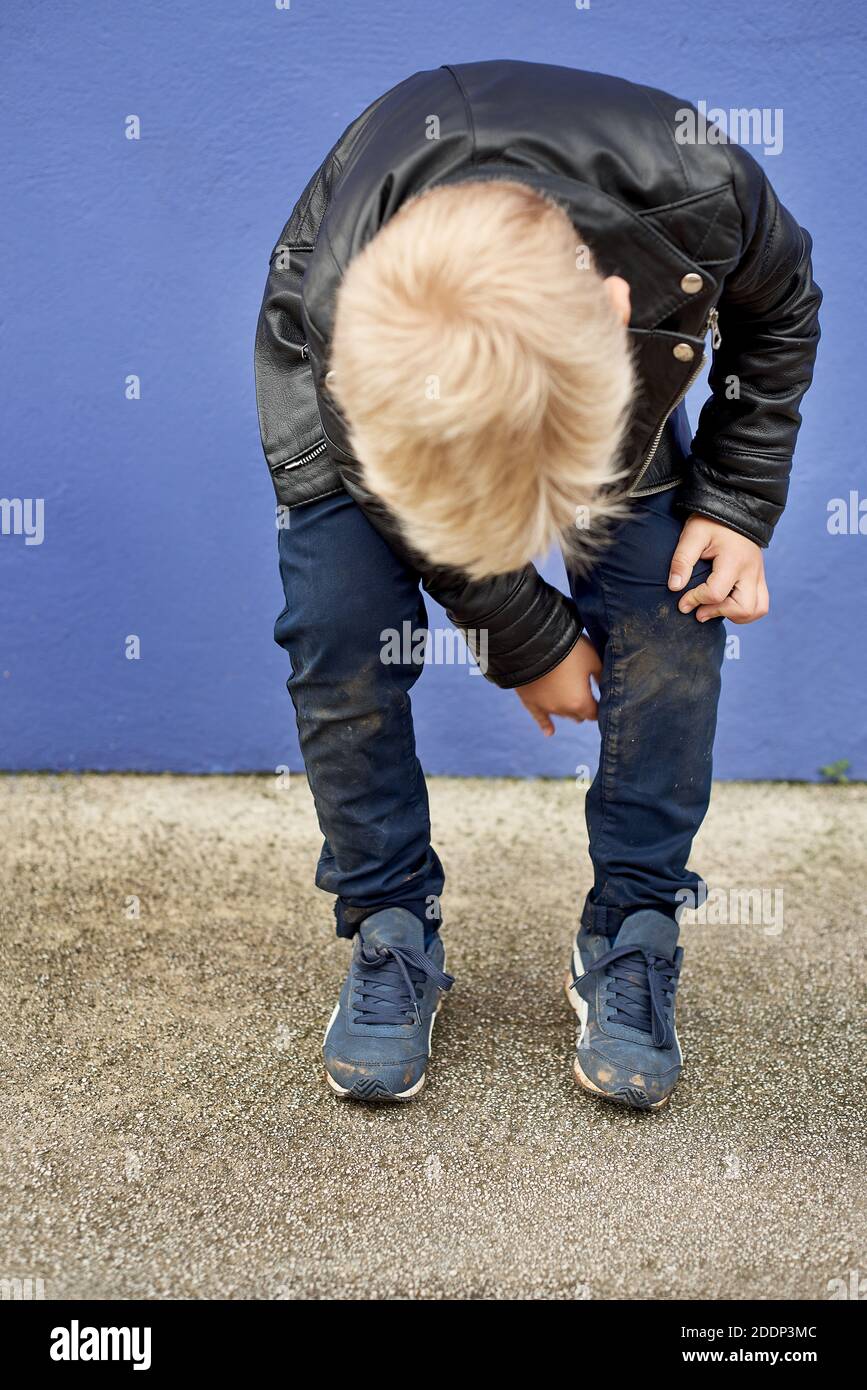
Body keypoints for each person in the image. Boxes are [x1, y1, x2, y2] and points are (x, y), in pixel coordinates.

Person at [254, 61, 820, 1110]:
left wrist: (736, 501)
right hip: (365, 390)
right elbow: (419, 499)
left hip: (570, 353)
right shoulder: (351, 329)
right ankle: (388, 920)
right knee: (338, 627)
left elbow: (780, 313)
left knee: (673, 621)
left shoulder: (712, 195)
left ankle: (633, 924)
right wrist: (526, 633)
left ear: (617, 312)